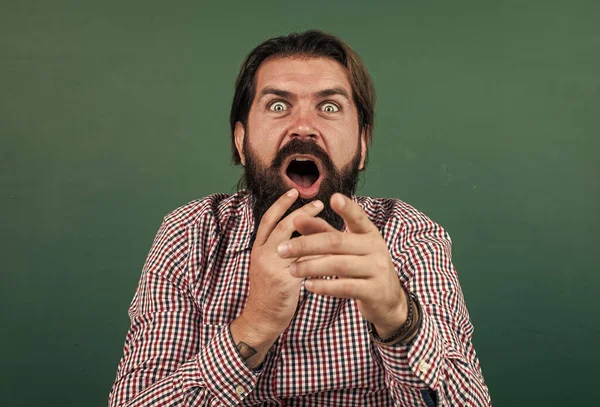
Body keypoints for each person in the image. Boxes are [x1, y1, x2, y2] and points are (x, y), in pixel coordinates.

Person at [109, 30, 491, 406]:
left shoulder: (408, 235)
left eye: (329, 107)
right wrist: (255, 325)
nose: (304, 127)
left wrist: (398, 318)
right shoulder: (191, 233)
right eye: (278, 106)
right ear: (241, 141)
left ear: (362, 145)